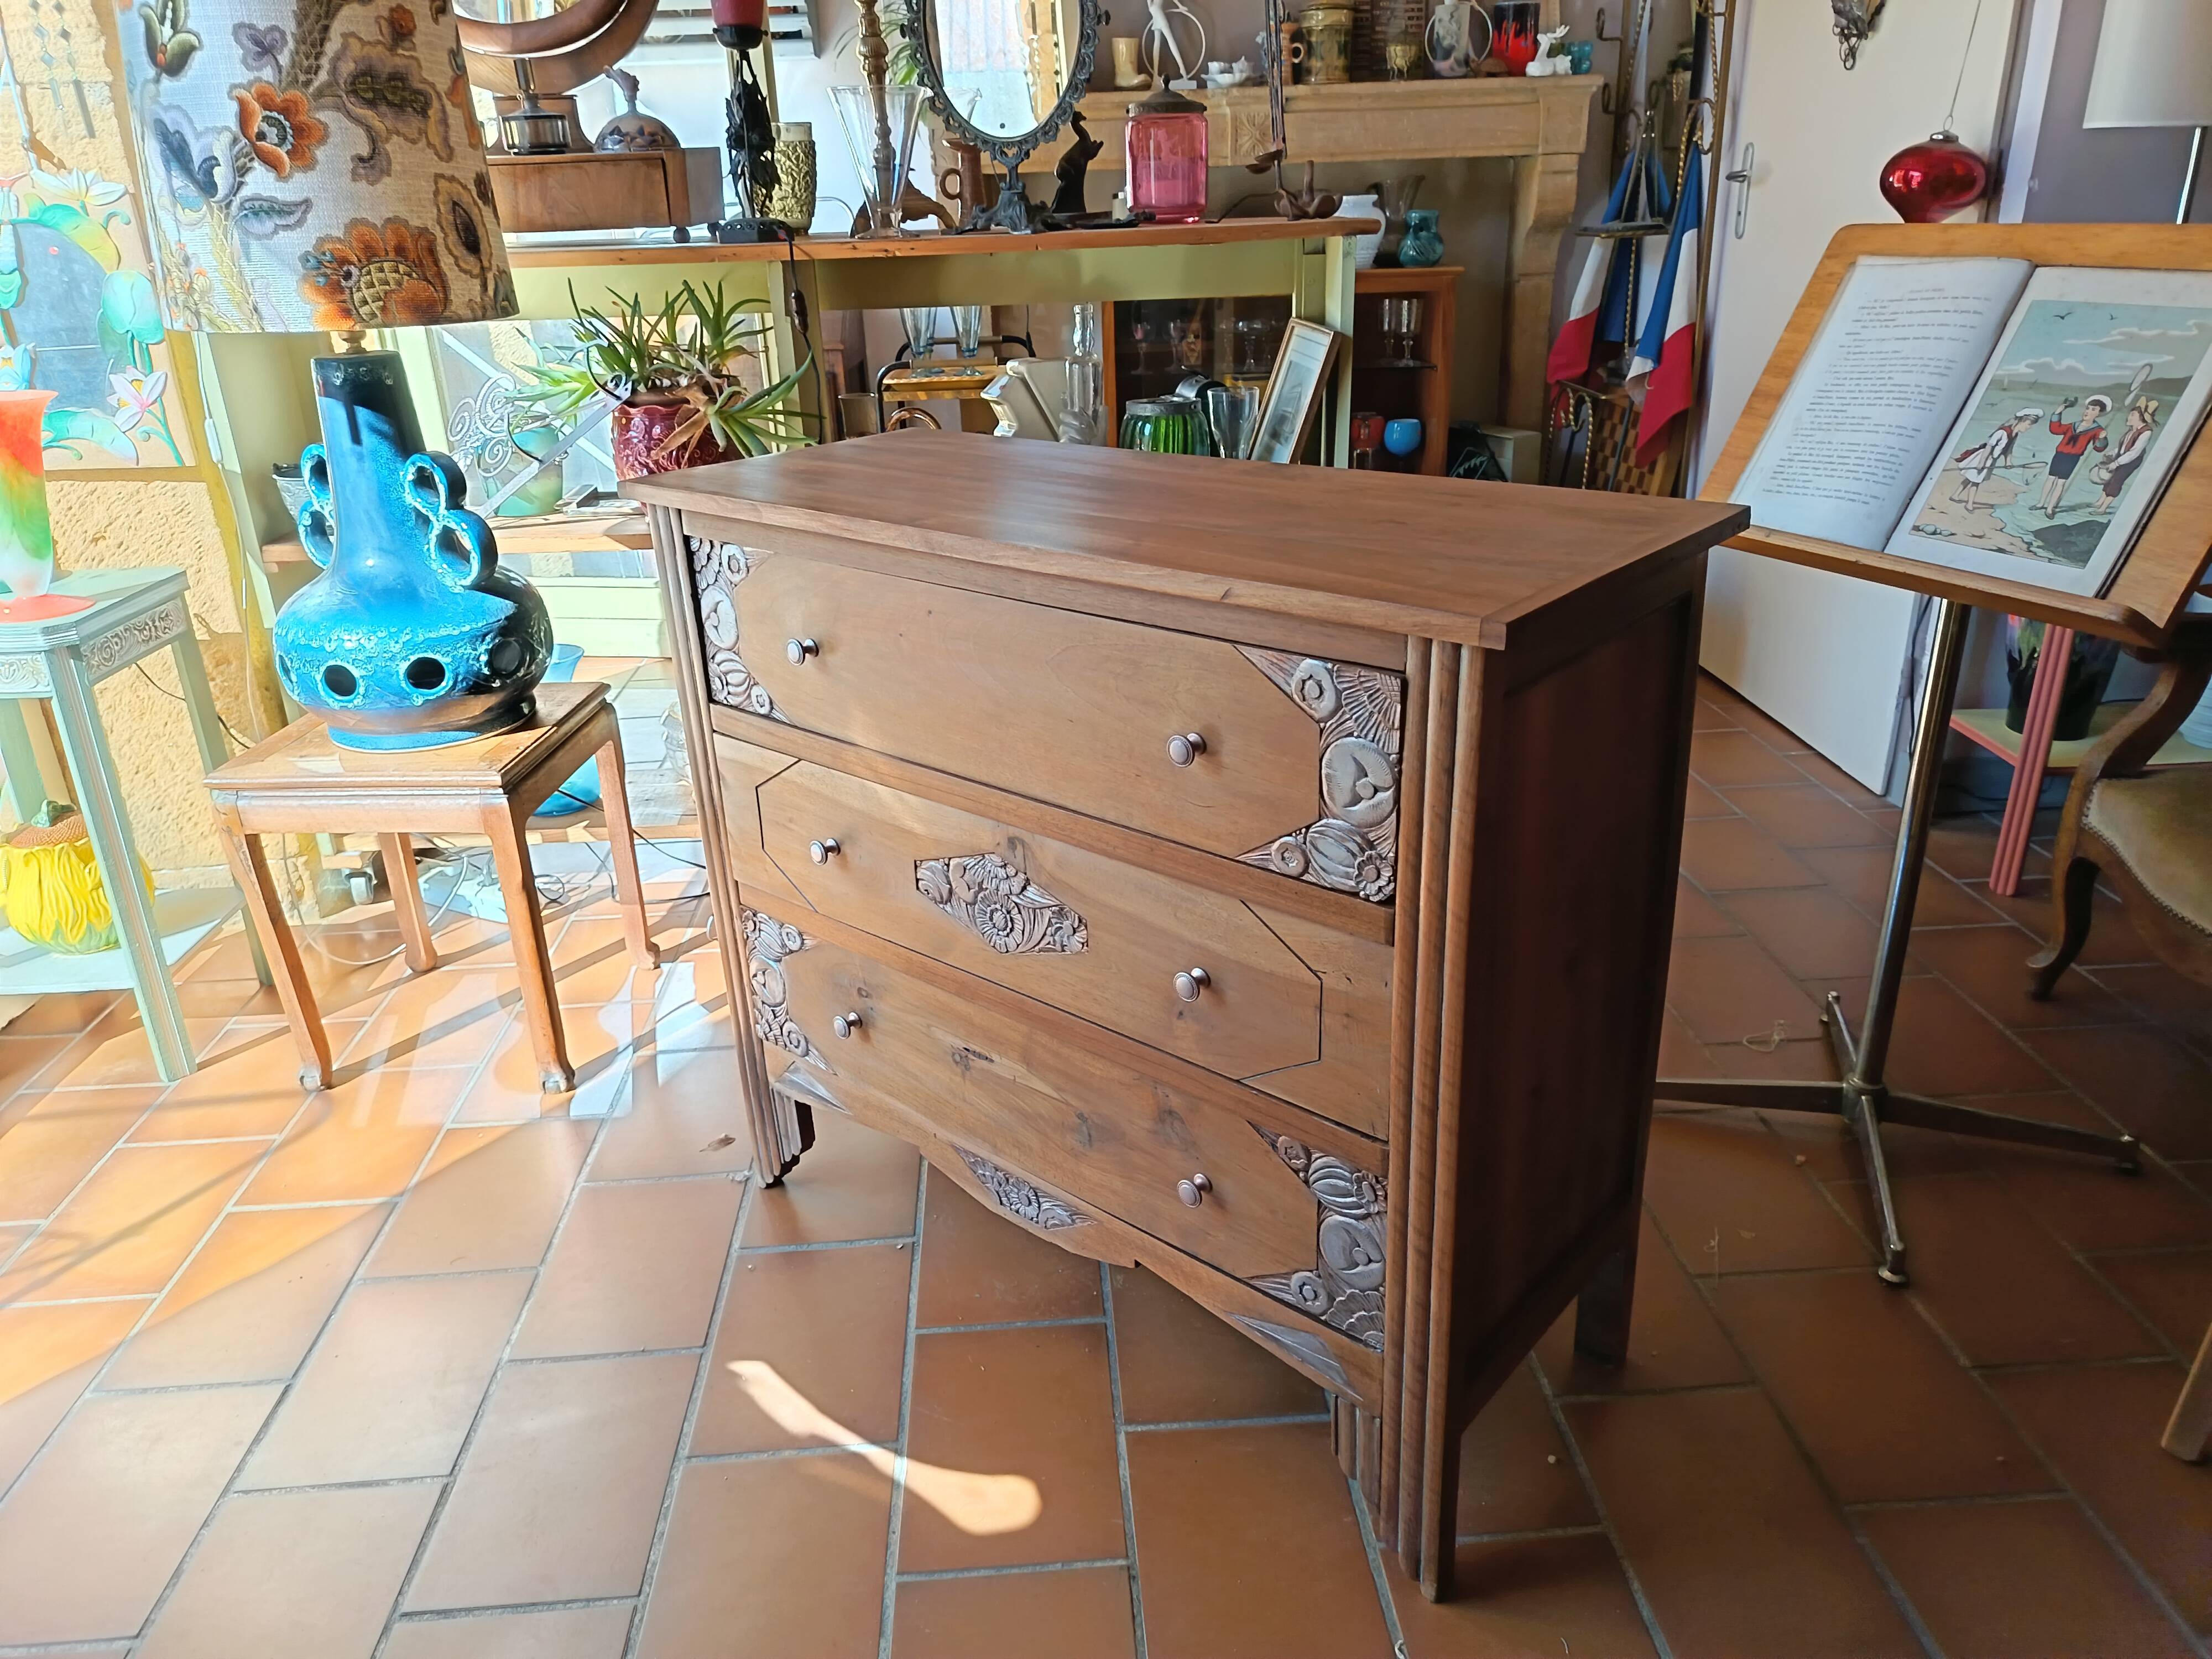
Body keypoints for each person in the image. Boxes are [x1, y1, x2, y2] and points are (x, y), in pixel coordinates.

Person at [1948, 408, 2041, 513]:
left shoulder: (2015, 435)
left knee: (1971, 478)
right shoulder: (2002, 432)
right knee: (1976, 481)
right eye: (2029, 424)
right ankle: (1969, 505)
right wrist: (1981, 463)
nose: (2030, 428)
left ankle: (1955, 495)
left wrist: (2008, 463)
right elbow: (1988, 448)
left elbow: (2009, 450)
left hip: (1991, 460)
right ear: (2022, 421)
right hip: (1983, 457)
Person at [2037, 394, 2112, 517]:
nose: (2088, 412)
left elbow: (2099, 448)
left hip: (2072, 458)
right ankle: (2041, 503)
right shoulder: (2073, 425)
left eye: (2093, 410)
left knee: (2061, 482)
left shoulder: (2097, 430)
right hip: (2060, 455)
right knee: (2050, 479)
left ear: (2099, 413)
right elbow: (2055, 429)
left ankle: (2050, 509)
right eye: (2088, 408)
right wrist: (2059, 412)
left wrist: (2103, 439)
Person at [2091, 397, 2158, 517]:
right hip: (2122, 457)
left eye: (2133, 415)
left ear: (2141, 418)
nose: (2129, 417)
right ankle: (2099, 502)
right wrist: (2112, 454)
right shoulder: (2131, 430)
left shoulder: (2146, 432)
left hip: (2131, 461)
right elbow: (2123, 448)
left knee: (2117, 481)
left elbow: (2134, 452)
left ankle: (2103, 508)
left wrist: (2116, 463)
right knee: (2109, 479)